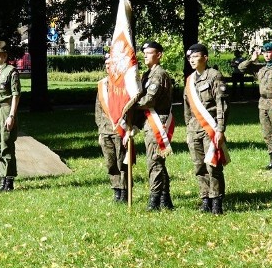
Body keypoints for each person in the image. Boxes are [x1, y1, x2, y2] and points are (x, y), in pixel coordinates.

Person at [184, 43, 229, 215]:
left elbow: (221, 104)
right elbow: (187, 108)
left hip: (210, 127)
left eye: (195, 56)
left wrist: (220, 129)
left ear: (205, 57)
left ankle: (216, 200)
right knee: (198, 166)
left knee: (213, 165)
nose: (192, 60)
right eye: (190, 57)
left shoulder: (214, 76)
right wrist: (189, 126)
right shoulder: (190, 80)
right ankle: (205, 199)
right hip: (194, 129)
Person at [131, 41, 175, 211]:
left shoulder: (159, 74)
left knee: (154, 161)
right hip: (150, 121)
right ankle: (165, 199)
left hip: (158, 121)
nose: (145, 55)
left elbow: (149, 99)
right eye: (144, 52)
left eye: (149, 52)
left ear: (159, 55)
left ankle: (154, 200)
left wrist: (130, 104)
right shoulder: (147, 74)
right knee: (157, 161)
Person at [237, 41, 272, 169]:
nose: (267, 55)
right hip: (263, 103)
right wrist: (252, 59)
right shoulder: (261, 68)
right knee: (267, 133)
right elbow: (241, 68)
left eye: (269, 52)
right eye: (264, 52)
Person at [0, 41, 21, 192]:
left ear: (5, 55)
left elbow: (16, 95)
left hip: (6, 110)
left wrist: (11, 116)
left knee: (6, 145)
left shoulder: (11, 71)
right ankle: (3, 176)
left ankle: (8, 181)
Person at [96, 54, 129, 203]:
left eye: (111, 64)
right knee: (110, 163)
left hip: (119, 130)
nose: (108, 67)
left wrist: (128, 128)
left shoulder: (123, 85)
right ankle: (116, 189)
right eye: (106, 65)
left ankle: (125, 190)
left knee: (122, 162)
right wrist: (100, 131)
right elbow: (98, 109)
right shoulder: (102, 85)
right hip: (105, 130)